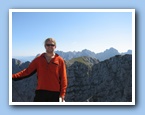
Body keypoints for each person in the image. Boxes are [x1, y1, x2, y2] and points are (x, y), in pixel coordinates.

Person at [12, 38, 68, 102]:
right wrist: (12, 76)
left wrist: (62, 94)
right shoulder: (38, 60)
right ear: (45, 46)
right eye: (48, 45)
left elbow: (64, 78)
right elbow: (27, 72)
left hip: (55, 94)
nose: (50, 46)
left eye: (52, 45)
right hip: (41, 92)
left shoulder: (60, 60)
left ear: (55, 46)